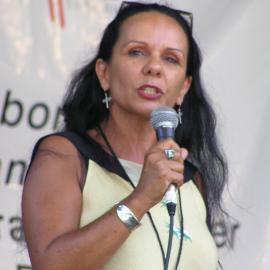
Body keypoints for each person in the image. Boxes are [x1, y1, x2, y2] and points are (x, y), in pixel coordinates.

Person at [22, 2, 228, 270]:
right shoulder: (66, 156)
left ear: (183, 88)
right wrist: (141, 198)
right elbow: (51, 265)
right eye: (137, 52)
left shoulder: (190, 178)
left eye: (170, 58)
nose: (154, 67)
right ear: (104, 73)